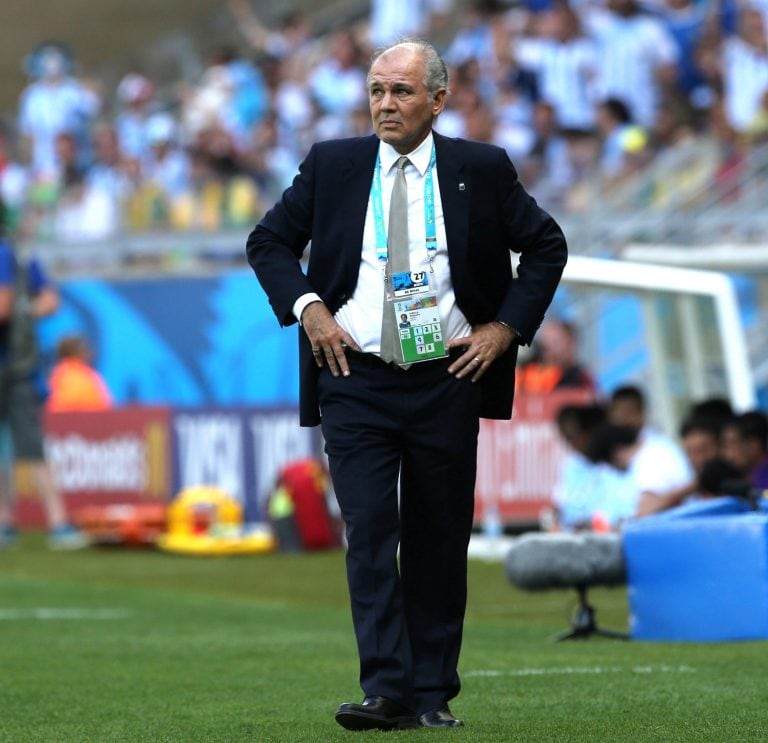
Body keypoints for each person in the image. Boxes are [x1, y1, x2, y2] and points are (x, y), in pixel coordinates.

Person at [246, 38, 567, 730]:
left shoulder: (480, 168)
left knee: (438, 535)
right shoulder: (332, 164)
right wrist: (312, 311)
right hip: (352, 374)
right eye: (376, 91)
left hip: (446, 373)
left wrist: (504, 328)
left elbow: (546, 245)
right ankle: (385, 687)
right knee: (368, 530)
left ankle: (432, 692)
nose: (385, 105)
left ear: (438, 100)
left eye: (400, 92)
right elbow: (267, 241)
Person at [0, 202, 88, 550]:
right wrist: (30, 311)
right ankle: (42, 521)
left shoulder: (6, 255)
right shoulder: (21, 256)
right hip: (19, 363)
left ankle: (51, 521)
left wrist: (20, 312)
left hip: (14, 366)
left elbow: (3, 307)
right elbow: (49, 299)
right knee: (22, 445)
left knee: (29, 444)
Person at [46, 333, 113, 412]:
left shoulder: (62, 374)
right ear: (76, 351)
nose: (90, 353)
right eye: (86, 349)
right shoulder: (73, 376)